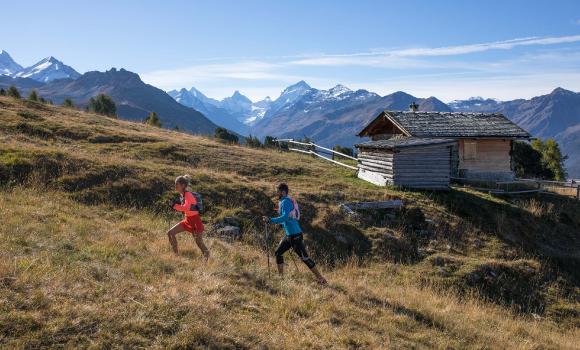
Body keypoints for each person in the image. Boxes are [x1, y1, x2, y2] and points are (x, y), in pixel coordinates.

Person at [263, 183, 327, 284]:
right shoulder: (285, 201)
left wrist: (270, 220)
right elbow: (286, 218)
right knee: (278, 253)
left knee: (305, 258)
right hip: (289, 235)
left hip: (295, 235)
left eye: (278, 191)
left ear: (283, 192)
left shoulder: (285, 202)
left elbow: (284, 217)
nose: (276, 193)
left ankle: (321, 279)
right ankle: (281, 279)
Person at [167, 175, 210, 260]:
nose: (175, 187)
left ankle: (207, 260)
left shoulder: (188, 195)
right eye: (175, 184)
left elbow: (186, 208)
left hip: (195, 221)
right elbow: (186, 209)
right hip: (187, 220)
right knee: (170, 233)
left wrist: (174, 205)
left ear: (183, 185)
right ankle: (176, 256)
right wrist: (173, 205)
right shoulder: (182, 195)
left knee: (199, 243)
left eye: (177, 185)